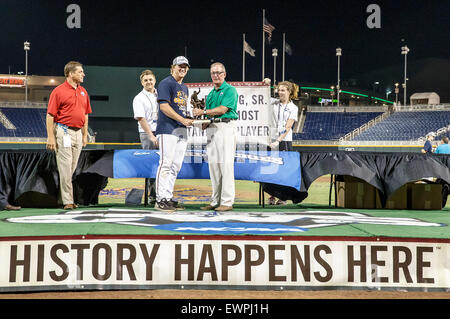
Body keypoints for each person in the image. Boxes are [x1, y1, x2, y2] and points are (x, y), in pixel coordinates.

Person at [46, 61, 92, 210]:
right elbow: (50, 115)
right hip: (63, 131)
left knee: (71, 168)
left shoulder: (83, 91)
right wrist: (50, 137)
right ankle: (68, 201)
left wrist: (85, 135)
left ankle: (63, 198)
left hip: (78, 133)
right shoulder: (58, 91)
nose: (83, 74)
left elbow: (85, 115)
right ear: (71, 74)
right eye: (80, 72)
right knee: (65, 167)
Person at [193, 62, 238, 212]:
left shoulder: (230, 90)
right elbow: (208, 115)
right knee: (214, 167)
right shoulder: (211, 93)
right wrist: (198, 121)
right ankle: (215, 201)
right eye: (213, 73)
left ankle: (227, 201)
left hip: (225, 126)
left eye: (219, 72)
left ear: (224, 74)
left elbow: (222, 109)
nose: (216, 75)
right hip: (212, 128)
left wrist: (203, 112)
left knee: (225, 165)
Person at [154, 56, 193, 212]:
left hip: (181, 130)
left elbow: (181, 109)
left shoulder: (185, 88)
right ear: (173, 67)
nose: (182, 68)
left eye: (185, 66)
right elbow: (164, 107)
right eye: (180, 66)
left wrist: (189, 119)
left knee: (175, 166)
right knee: (165, 163)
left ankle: (168, 197)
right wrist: (183, 120)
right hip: (168, 128)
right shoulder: (166, 83)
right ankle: (159, 199)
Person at [264, 78, 299, 205]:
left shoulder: (293, 108)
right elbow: (262, 96)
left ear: (289, 92)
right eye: (279, 90)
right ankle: (272, 195)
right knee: (270, 169)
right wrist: (266, 85)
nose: (280, 92)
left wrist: (278, 140)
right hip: (271, 140)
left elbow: (288, 126)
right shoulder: (273, 103)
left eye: (283, 90)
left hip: (284, 141)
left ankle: (283, 197)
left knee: (283, 170)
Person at [132, 69, 159, 204]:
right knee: (151, 165)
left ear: (155, 80)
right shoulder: (139, 98)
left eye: (150, 79)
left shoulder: (160, 95)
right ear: (142, 83)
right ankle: (152, 196)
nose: (149, 82)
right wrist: (151, 136)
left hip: (161, 132)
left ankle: (162, 194)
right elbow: (141, 119)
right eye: (145, 80)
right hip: (148, 133)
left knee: (163, 165)